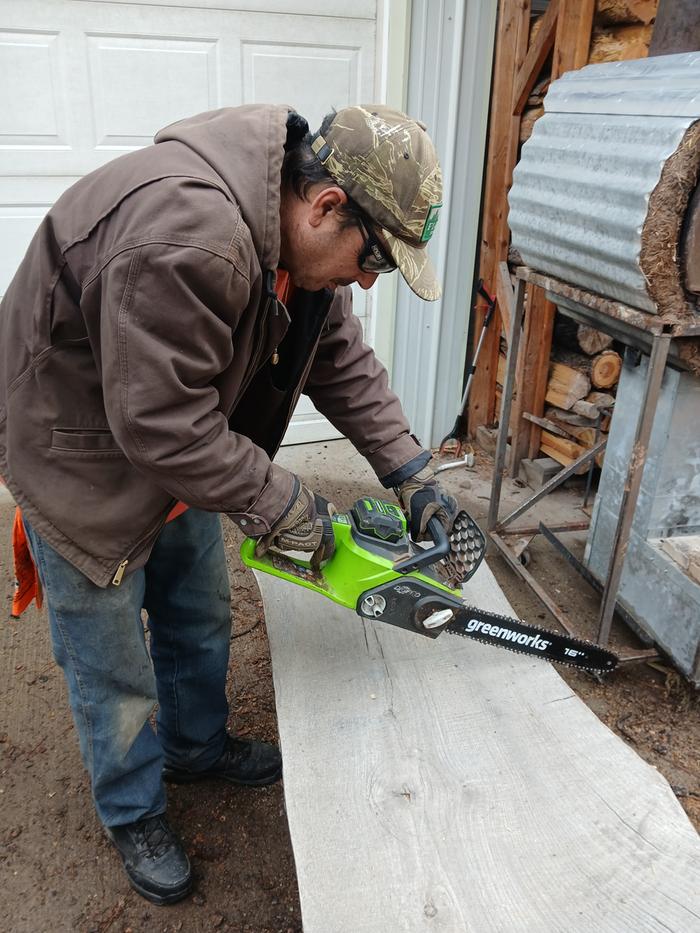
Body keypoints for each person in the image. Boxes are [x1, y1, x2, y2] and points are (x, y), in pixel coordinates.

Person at [0, 103, 457, 904]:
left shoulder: (291, 243)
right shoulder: (190, 239)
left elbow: (337, 357)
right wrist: (281, 500)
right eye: (373, 257)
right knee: (112, 661)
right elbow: (156, 421)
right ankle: (134, 808)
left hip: (170, 437)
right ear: (327, 206)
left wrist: (411, 470)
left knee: (198, 606)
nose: (366, 278)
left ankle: (197, 746)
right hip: (77, 444)